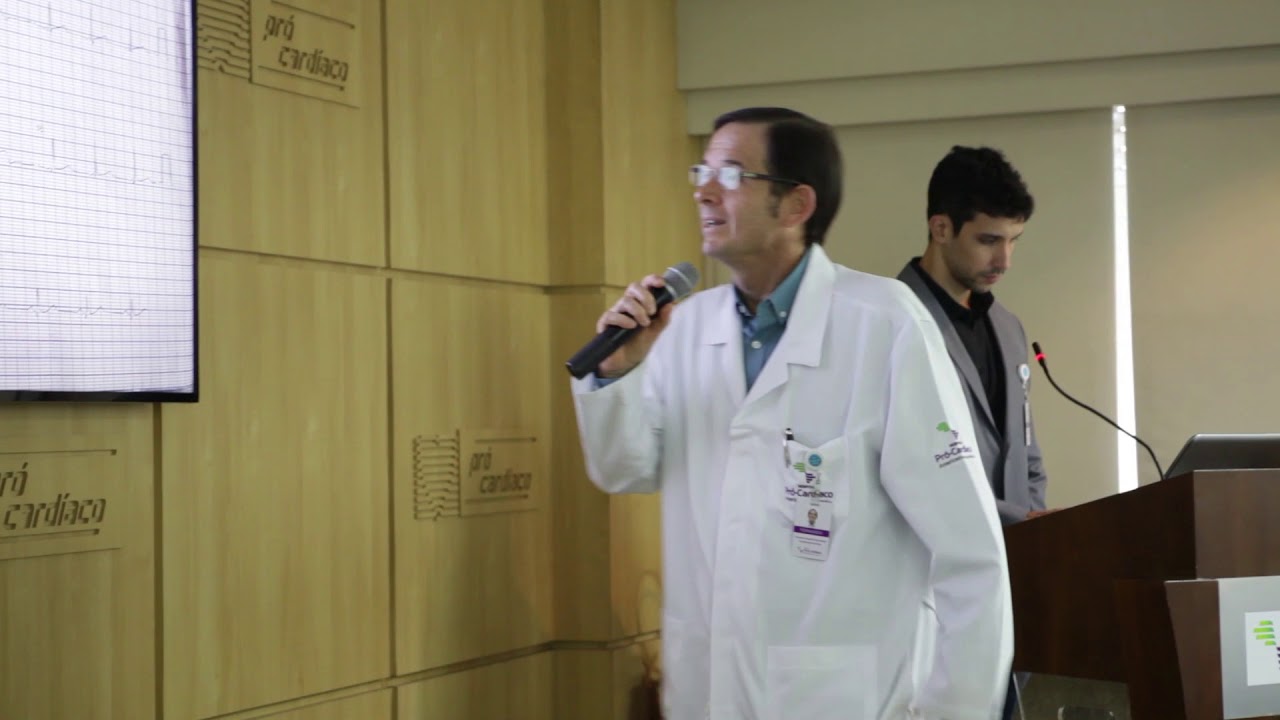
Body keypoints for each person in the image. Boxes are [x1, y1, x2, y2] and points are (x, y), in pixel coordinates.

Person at [569, 107, 1012, 720]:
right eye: (701, 172)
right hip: (707, 693)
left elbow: (970, 556)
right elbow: (623, 469)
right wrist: (617, 372)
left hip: (843, 701)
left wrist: (954, 711)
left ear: (797, 204)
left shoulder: (884, 323)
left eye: (729, 175)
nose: (702, 191)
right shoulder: (684, 328)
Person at [895, 145, 1055, 720]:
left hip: (1010, 582)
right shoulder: (891, 323)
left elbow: (1025, 454)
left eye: (1014, 241)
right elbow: (904, 469)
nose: (1004, 259)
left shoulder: (1008, 326)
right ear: (941, 228)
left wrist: (1037, 533)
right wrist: (1015, 522)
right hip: (929, 584)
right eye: (989, 240)